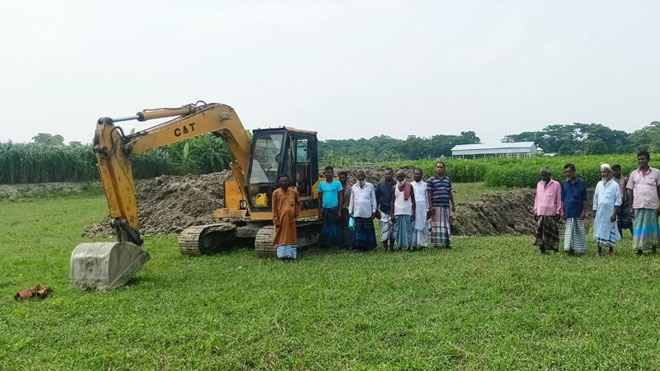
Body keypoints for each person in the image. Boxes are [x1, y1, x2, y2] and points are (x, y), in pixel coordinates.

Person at [626, 151, 660, 255]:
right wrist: (630, 206)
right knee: (638, 227)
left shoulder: (656, 172)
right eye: (639, 159)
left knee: (653, 227)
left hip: (652, 204)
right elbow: (629, 191)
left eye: (643, 159)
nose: (641, 161)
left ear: (648, 159)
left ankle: (654, 247)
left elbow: (659, 189)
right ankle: (639, 248)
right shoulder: (633, 174)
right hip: (638, 205)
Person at [593, 164, 622, 255]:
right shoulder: (599, 184)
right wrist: (594, 210)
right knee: (599, 229)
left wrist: (614, 214)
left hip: (610, 212)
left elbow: (618, 200)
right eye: (601, 172)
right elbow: (596, 198)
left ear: (609, 172)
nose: (603, 174)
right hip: (600, 212)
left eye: (604, 172)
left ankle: (611, 250)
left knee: (611, 230)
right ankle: (599, 250)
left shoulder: (615, 185)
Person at [272, 175, 301, 260]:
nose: (284, 183)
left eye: (285, 181)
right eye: (282, 181)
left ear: (288, 182)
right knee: (282, 237)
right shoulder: (276, 193)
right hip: (281, 220)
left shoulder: (293, 192)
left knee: (291, 236)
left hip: (291, 220)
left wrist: (296, 213)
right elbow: (274, 207)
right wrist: (275, 219)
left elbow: (298, 202)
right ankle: (282, 255)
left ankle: (291, 255)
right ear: (279, 182)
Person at [427, 161, 455, 249]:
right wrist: (430, 206)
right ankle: (436, 243)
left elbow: (450, 192)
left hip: (445, 205)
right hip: (436, 206)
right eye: (438, 167)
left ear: (444, 169)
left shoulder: (447, 180)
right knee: (435, 225)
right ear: (435, 168)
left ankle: (447, 243)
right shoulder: (431, 180)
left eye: (441, 167)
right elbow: (429, 194)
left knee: (446, 224)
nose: (439, 169)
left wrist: (453, 204)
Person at [533, 168, 562, 253]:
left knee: (552, 232)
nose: (543, 177)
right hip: (541, 211)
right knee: (541, 232)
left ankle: (555, 249)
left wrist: (558, 211)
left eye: (544, 175)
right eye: (542, 175)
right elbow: (537, 198)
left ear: (549, 175)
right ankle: (542, 249)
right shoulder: (539, 184)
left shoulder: (556, 184)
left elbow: (559, 198)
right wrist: (535, 210)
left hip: (551, 212)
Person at [561, 164, 587, 255]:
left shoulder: (581, 183)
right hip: (568, 210)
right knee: (569, 231)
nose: (568, 174)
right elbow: (562, 198)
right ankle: (569, 248)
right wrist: (562, 211)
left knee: (579, 231)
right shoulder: (564, 183)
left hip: (578, 210)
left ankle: (579, 249)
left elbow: (584, 198)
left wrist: (583, 211)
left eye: (569, 171)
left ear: (574, 171)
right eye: (566, 172)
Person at [348, 170, 378, 251]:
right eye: (359, 176)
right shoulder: (354, 187)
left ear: (365, 177)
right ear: (356, 177)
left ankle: (371, 247)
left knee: (368, 230)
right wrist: (350, 211)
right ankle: (358, 247)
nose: (360, 178)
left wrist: (374, 210)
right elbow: (352, 200)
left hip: (367, 212)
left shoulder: (370, 186)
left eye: (362, 176)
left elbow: (373, 199)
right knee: (358, 230)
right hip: (358, 212)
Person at [317, 166, 343, 248]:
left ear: (332, 173)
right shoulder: (321, 184)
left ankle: (336, 245)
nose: (328, 174)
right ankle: (326, 244)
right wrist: (319, 211)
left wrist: (339, 211)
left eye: (329, 172)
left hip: (334, 208)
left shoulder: (337, 183)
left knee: (335, 226)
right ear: (324, 173)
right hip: (325, 208)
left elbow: (341, 197)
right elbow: (319, 198)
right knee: (326, 226)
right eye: (326, 172)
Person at [391, 170, 416, 250]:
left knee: (408, 229)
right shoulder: (394, 188)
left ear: (404, 177)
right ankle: (398, 245)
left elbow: (413, 200)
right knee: (397, 230)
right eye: (398, 177)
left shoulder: (410, 186)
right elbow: (392, 201)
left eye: (401, 176)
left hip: (407, 211)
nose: (400, 178)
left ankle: (409, 245)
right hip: (397, 212)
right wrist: (392, 214)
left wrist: (414, 212)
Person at [375, 167, 396, 250]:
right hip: (383, 210)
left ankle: (391, 247)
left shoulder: (396, 184)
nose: (387, 175)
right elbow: (376, 198)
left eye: (389, 174)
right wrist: (376, 210)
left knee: (393, 229)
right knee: (384, 229)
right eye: (386, 174)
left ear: (392, 174)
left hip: (394, 210)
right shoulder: (380, 185)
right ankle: (384, 247)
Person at [612, 164, 633, 237]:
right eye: (614, 171)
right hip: (616, 204)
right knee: (618, 221)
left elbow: (629, 190)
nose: (615, 172)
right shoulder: (612, 181)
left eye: (617, 171)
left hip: (625, 202)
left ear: (620, 170)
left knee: (629, 220)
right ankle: (620, 236)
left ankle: (634, 235)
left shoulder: (625, 179)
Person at [411, 168, 429, 249]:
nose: (417, 175)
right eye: (415, 174)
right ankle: (413, 244)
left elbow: (427, 198)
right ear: (413, 175)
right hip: (413, 209)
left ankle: (423, 244)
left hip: (423, 209)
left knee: (423, 226)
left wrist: (428, 209)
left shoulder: (425, 185)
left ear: (422, 175)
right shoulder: (410, 185)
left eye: (418, 174)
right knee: (413, 226)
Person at [338, 171, 353, 249]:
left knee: (347, 228)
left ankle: (349, 244)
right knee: (340, 227)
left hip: (346, 209)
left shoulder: (349, 189)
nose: (341, 179)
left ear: (346, 178)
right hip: (339, 209)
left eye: (343, 178)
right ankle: (341, 244)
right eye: (340, 178)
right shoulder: (337, 188)